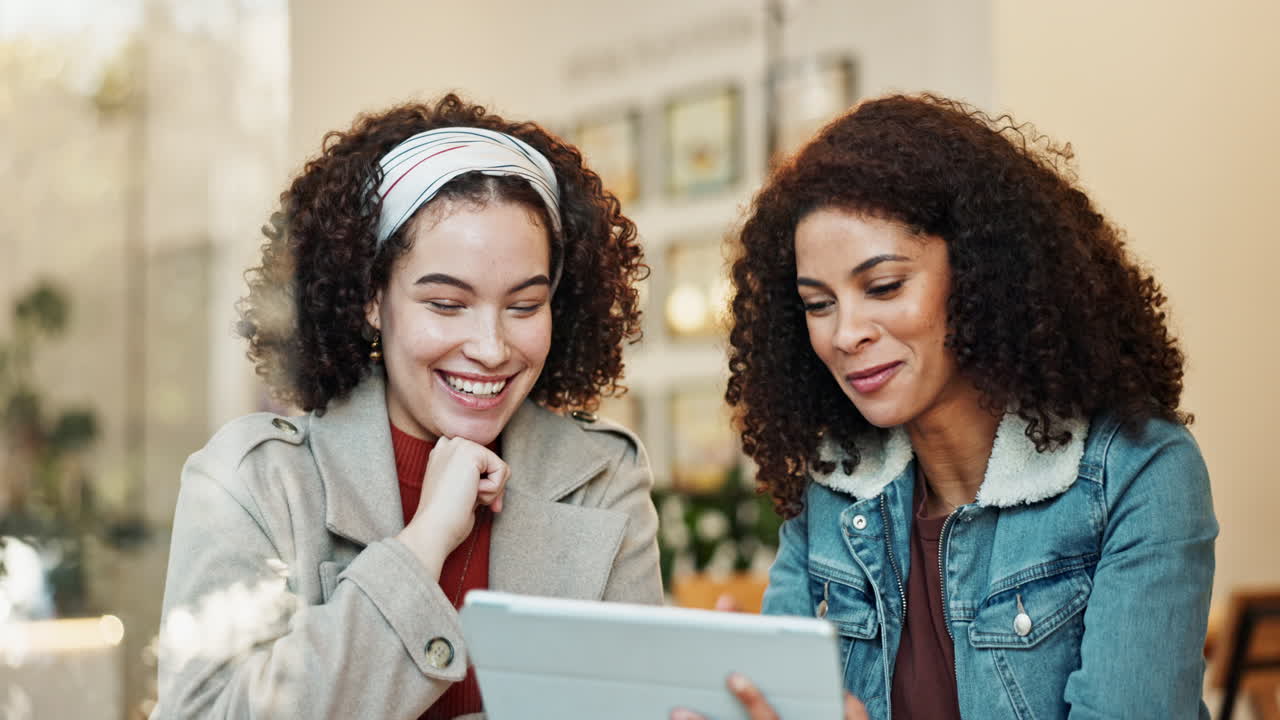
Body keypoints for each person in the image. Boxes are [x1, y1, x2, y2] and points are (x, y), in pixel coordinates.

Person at [683, 94, 1217, 720]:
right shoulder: (834, 485)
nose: (844, 332)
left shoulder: (1137, 473)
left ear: (982, 274)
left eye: (883, 287)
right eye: (818, 303)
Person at [153, 94, 661, 719]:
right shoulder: (257, 481)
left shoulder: (601, 478)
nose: (491, 347)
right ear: (372, 298)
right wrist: (423, 545)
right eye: (446, 304)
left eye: (524, 306)